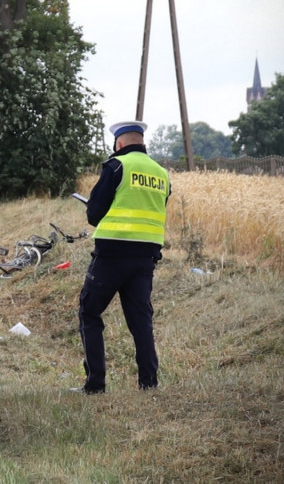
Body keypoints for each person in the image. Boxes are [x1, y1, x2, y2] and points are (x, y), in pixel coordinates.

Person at [74, 120, 170, 394]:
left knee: (89, 312)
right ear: (142, 142)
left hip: (112, 254)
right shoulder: (162, 173)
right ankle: (148, 384)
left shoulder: (116, 166)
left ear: (119, 144)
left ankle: (95, 384)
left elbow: (94, 214)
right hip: (145, 257)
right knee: (141, 320)